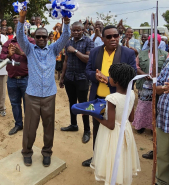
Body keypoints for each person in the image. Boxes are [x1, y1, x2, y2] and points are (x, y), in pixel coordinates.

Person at [17, 8, 70, 167]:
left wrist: (66, 22)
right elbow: (20, 35)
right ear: (34, 38)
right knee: (30, 128)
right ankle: (27, 152)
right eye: (38, 36)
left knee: (49, 126)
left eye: (44, 36)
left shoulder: (53, 50)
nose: (41, 38)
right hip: (32, 96)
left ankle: (47, 152)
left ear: (48, 38)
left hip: (49, 96)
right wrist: (21, 18)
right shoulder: (29, 49)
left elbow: (66, 36)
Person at [82, 25, 137, 167]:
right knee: (97, 129)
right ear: (102, 39)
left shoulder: (128, 53)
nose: (113, 39)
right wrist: (95, 76)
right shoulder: (94, 52)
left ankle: (115, 161)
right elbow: (87, 70)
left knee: (115, 132)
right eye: (109, 37)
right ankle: (97, 158)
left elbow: (132, 75)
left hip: (116, 99)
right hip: (98, 98)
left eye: (116, 35)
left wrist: (108, 79)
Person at [90, 63, 140, 184]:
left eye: (110, 76)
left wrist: (94, 114)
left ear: (116, 81)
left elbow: (110, 125)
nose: (108, 78)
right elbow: (131, 118)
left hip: (112, 134)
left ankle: (111, 180)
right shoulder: (132, 94)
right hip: (125, 130)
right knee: (122, 157)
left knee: (111, 156)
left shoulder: (112, 98)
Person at [60, 22, 94, 143]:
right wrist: (62, 77)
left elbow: (88, 59)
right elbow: (65, 61)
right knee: (72, 103)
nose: (75, 32)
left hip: (82, 78)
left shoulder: (88, 41)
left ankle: (87, 130)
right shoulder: (68, 42)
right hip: (70, 77)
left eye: (78, 30)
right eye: (73, 30)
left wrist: (74, 51)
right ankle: (73, 125)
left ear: (82, 30)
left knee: (84, 105)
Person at [0, 25, 35, 135]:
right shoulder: (8, 43)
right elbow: (1, 57)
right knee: (15, 103)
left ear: (26, 31)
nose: (21, 32)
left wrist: (21, 53)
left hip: (26, 78)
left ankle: (29, 126)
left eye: (23, 30)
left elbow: (36, 55)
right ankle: (18, 124)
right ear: (15, 31)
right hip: (12, 79)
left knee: (27, 104)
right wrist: (9, 55)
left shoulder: (31, 41)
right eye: (18, 30)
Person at [132, 34, 168, 134]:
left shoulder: (164, 54)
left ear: (159, 43)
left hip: (158, 85)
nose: (152, 42)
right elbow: (136, 66)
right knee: (143, 106)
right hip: (144, 84)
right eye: (151, 40)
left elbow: (166, 70)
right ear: (148, 42)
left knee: (156, 106)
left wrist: (157, 76)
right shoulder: (142, 53)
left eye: (155, 41)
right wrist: (144, 74)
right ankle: (141, 126)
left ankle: (153, 128)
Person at [155, 60, 169, 185]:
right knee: (163, 155)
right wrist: (163, 88)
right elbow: (157, 87)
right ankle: (161, 182)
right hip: (164, 119)